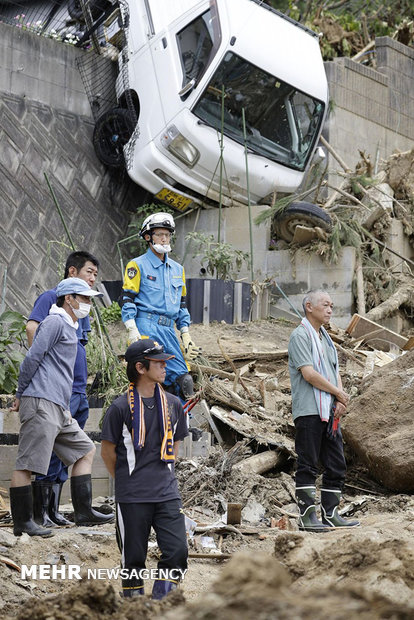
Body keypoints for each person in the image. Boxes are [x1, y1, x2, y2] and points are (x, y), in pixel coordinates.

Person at [10, 277, 114, 538]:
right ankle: (23, 523)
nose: (89, 304)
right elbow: (33, 357)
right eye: (85, 298)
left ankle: (83, 512)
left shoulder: (70, 325)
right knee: (27, 464)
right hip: (42, 401)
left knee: (84, 450)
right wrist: (21, 393)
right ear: (69, 299)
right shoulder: (55, 321)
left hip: (58, 405)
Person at [101, 338, 189, 599]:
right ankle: (134, 608)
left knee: (177, 551)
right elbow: (108, 453)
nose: (165, 367)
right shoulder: (118, 408)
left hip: (167, 493)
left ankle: (162, 604)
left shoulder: (173, 404)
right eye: (159, 363)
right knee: (133, 558)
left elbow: (177, 445)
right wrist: (130, 481)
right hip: (133, 496)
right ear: (141, 368)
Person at [26, 251, 99, 527]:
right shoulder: (51, 297)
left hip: (78, 389)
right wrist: (47, 377)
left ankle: (54, 511)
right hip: (58, 390)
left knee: (68, 452)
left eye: (95, 274)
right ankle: (40, 513)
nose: (93, 278)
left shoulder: (83, 308)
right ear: (72, 271)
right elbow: (33, 329)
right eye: (89, 272)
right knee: (52, 449)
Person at [288, 290, 360, 531]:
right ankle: (307, 518)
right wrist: (337, 393)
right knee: (308, 463)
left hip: (330, 410)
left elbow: (334, 370)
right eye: (325, 305)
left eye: (332, 305)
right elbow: (308, 374)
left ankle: (330, 513)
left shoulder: (326, 339)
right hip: (309, 410)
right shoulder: (300, 336)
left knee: (337, 463)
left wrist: (339, 398)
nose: (330, 309)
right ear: (309, 306)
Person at [120, 212, 201, 402]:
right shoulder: (137, 265)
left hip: (169, 330)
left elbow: (181, 306)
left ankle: (178, 426)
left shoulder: (177, 270)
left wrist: (186, 335)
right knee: (151, 378)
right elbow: (127, 300)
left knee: (184, 381)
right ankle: (149, 423)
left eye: (167, 234)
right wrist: (132, 329)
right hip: (146, 326)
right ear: (148, 237)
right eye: (159, 234)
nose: (164, 239)